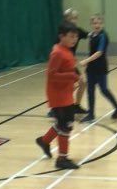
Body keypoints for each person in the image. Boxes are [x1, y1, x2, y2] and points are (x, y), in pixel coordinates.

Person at [35, 22, 82, 170]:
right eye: (71, 36)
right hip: (58, 96)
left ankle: (44, 141)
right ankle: (62, 159)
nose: (74, 39)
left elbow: (69, 68)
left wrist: (75, 76)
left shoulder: (67, 50)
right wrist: (71, 76)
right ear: (61, 36)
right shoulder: (57, 52)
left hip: (66, 93)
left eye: (76, 37)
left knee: (64, 123)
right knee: (66, 125)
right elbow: (52, 75)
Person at [80, 14, 117, 123]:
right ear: (91, 24)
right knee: (90, 90)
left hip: (100, 67)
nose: (97, 25)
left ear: (102, 24)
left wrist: (86, 61)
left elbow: (99, 52)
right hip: (91, 68)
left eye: (99, 23)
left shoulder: (103, 36)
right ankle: (91, 114)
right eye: (94, 23)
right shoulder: (92, 35)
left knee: (104, 89)